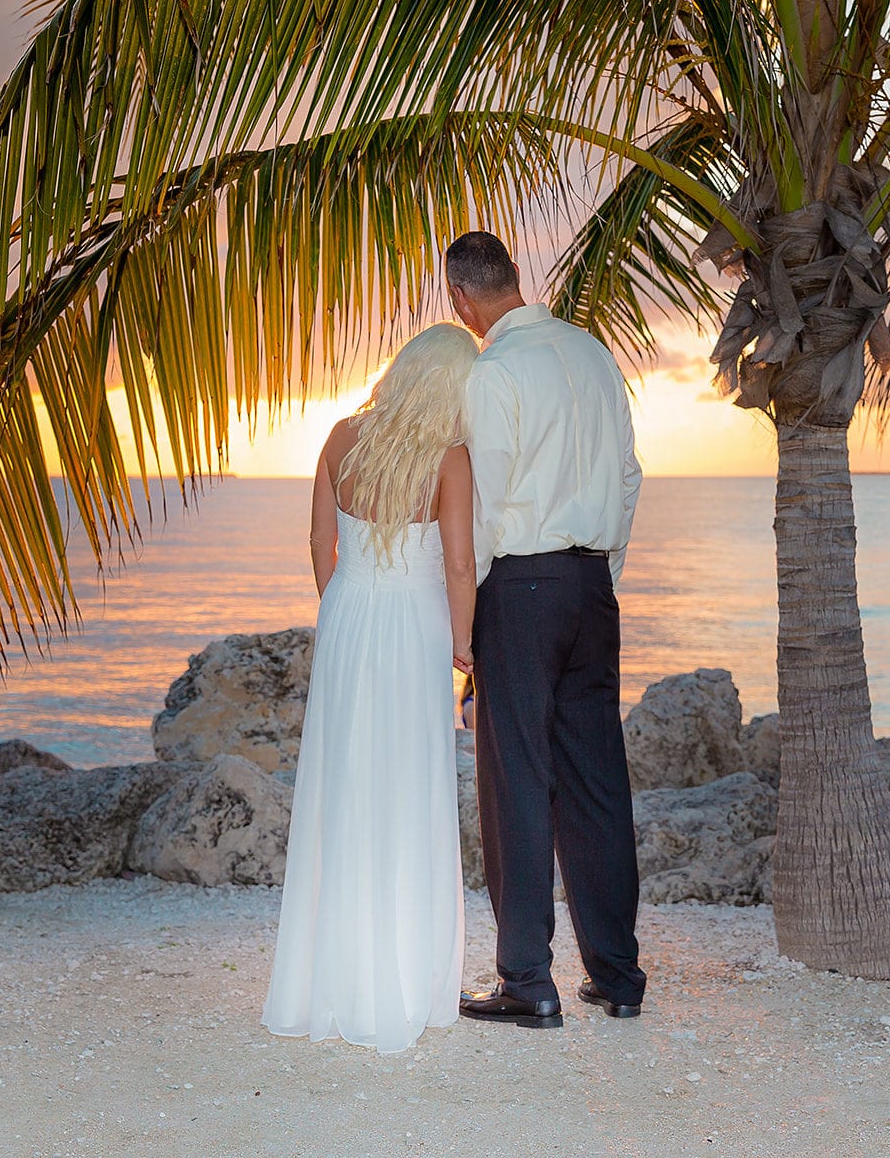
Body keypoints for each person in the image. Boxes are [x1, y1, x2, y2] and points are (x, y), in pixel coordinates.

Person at [447, 230, 647, 1028]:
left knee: (517, 780)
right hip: (592, 583)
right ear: (516, 280)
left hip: (521, 587)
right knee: (598, 780)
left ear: (460, 298)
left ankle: (528, 981)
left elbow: (486, 507)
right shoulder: (593, 354)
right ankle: (619, 976)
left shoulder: (491, 372)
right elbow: (629, 475)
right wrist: (600, 575)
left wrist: (471, 628)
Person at [262, 322, 478, 1053]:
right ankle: (405, 975)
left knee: (343, 783)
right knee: (408, 785)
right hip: (415, 627)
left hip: (348, 618)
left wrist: (344, 601)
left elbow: (316, 542)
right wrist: (464, 645)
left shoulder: (339, 435)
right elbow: (456, 568)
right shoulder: (451, 458)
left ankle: (331, 977)